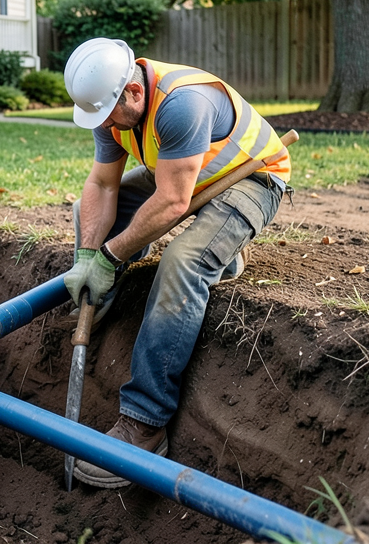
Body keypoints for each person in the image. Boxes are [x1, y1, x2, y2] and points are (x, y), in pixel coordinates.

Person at [62, 38, 291, 489]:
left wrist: (111, 255)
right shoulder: (107, 107)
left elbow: (171, 202)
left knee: (183, 262)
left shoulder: (182, 103)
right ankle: (107, 289)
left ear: (132, 91)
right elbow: (103, 186)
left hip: (250, 177)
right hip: (185, 166)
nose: (105, 126)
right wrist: (89, 255)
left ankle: (145, 424)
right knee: (88, 215)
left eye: (109, 116)